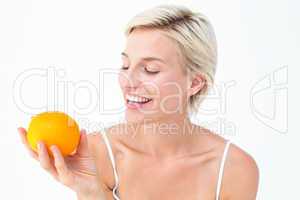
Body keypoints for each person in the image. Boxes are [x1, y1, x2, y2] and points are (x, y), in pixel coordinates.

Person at [18, 4, 259, 200]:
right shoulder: (95, 153)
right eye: (125, 65)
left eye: (150, 69)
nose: (128, 80)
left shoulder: (234, 170)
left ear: (195, 83)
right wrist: (90, 192)